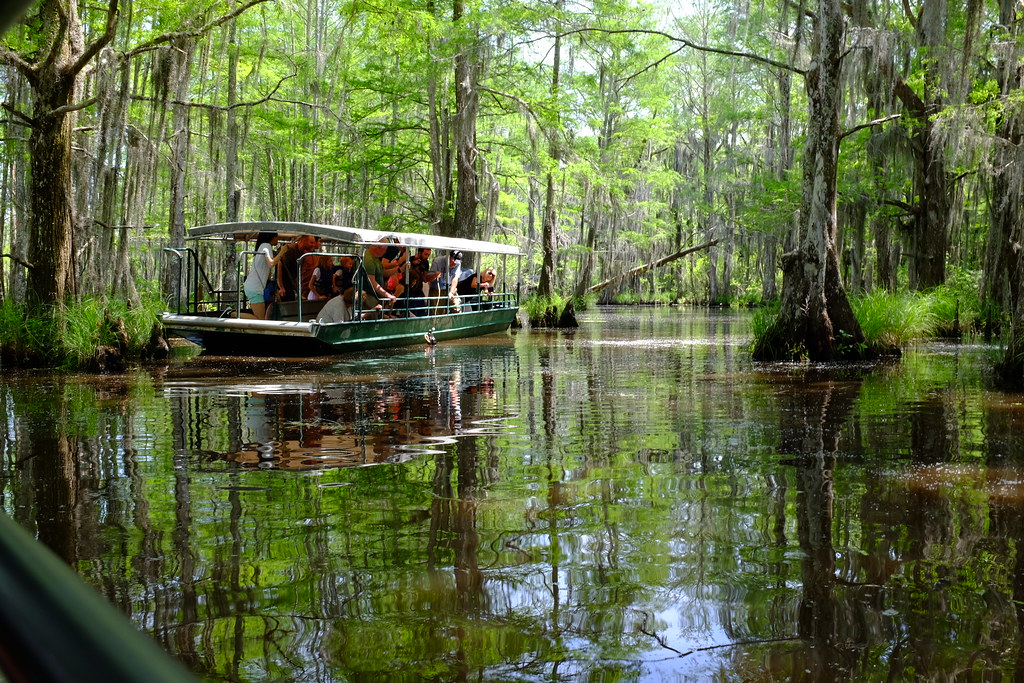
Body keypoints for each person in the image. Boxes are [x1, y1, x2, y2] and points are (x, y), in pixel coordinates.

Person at [242, 232, 283, 319]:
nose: (278, 239)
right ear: (272, 237)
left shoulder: (264, 247)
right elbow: (271, 263)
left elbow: (268, 272)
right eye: (277, 237)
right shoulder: (266, 245)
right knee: (260, 319)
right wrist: (282, 252)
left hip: (254, 287)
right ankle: (232, 313)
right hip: (254, 288)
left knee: (262, 318)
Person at [359, 238, 400, 313]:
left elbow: (383, 273)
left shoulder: (376, 259)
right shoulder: (368, 259)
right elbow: (372, 282)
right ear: (379, 247)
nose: (385, 252)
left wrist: (400, 270)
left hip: (375, 297)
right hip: (368, 297)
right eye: (385, 249)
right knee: (371, 318)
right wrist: (387, 295)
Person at [276, 234, 318, 302]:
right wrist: (281, 287)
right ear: (304, 241)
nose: (313, 245)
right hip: (285, 287)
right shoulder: (292, 250)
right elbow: (280, 264)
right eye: (311, 242)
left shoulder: (303, 253)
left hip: (292, 286)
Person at [407, 247, 439, 315]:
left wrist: (433, 275)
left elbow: (425, 279)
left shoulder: (425, 263)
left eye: (428, 255)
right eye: (425, 254)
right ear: (419, 253)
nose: (427, 257)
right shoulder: (410, 259)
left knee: (421, 313)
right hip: (410, 291)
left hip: (419, 291)